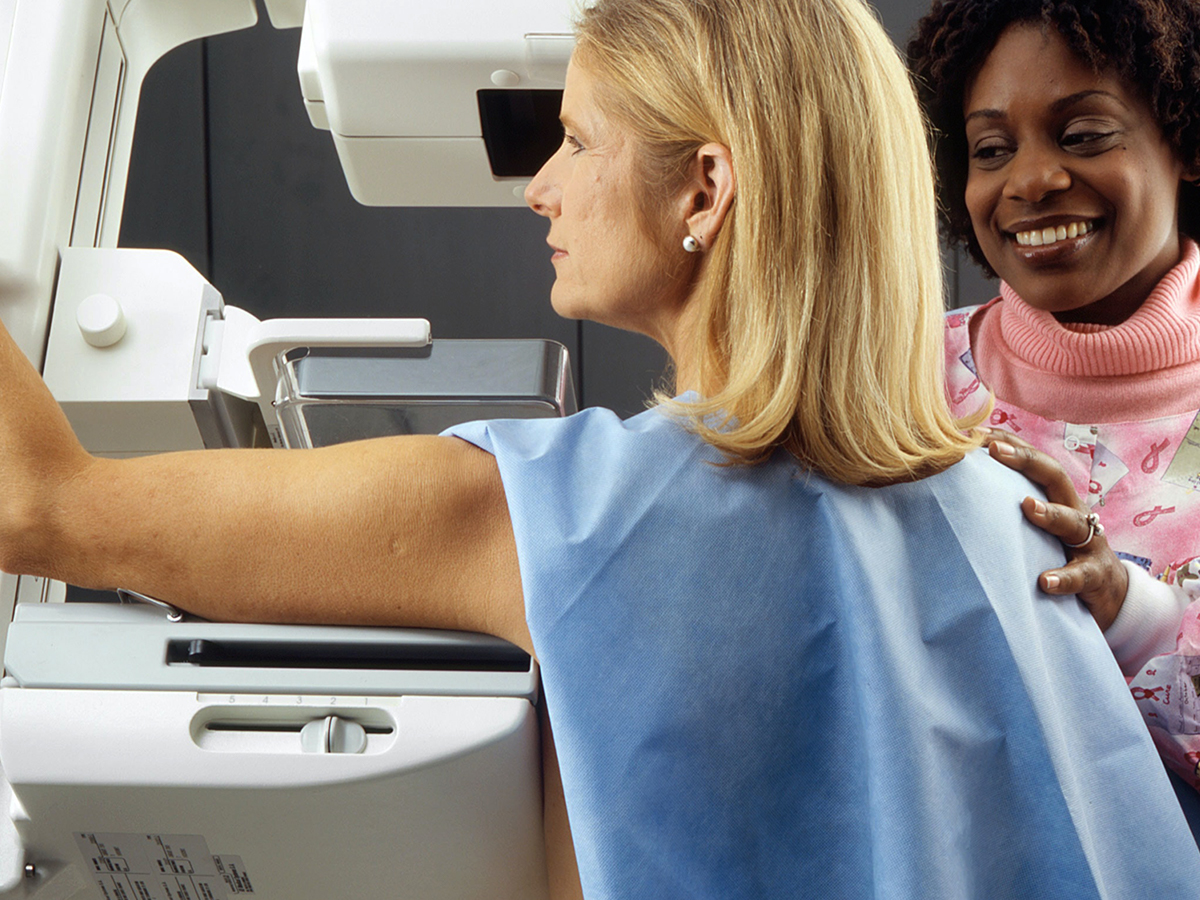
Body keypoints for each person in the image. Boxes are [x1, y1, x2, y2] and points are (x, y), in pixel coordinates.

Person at [2, 0, 1199, 896]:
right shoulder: (1013, 516)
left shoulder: (554, 516)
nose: (541, 186)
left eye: (576, 139)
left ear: (704, 192)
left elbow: (36, 501)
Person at [907, 0, 1200, 801]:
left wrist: (1125, 614)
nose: (1031, 180)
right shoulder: (899, 378)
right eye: (991, 149)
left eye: (1082, 135)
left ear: (1185, 137)